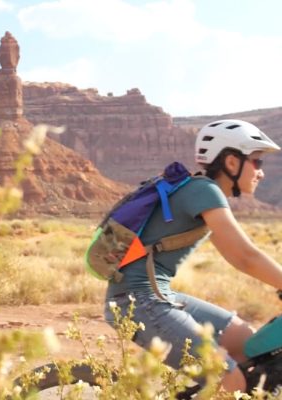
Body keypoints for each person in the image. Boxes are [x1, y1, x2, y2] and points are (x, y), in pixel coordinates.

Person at [103, 119, 282, 392]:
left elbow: (236, 256)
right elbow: (245, 256)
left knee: (246, 345)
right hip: (139, 303)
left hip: (157, 296)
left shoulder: (199, 191)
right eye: (256, 161)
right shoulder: (204, 191)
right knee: (230, 381)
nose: (261, 172)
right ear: (232, 163)